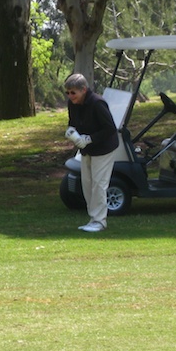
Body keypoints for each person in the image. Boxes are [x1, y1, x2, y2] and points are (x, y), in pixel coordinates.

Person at [64, 74, 119, 233]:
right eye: (68, 93)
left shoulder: (97, 103)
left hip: (103, 148)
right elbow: (73, 122)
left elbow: (110, 129)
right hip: (87, 149)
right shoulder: (72, 104)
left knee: (99, 184)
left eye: (73, 92)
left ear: (83, 90)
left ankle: (100, 221)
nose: (70, 96)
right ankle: (93, 218)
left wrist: (89, 139)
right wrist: (72, 132)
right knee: (87, 183)